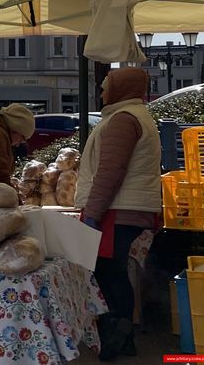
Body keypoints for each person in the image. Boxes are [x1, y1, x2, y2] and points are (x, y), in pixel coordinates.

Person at [75, 67, 160, 360]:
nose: (101, 92)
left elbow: (110, 172)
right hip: (124, 208)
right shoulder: (132, 115)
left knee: (109, 274)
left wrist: (92, 214)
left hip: (116, 210)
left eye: (106, 86)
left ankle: (115, 336)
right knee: (113, 273)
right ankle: (124, 339)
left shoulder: (124, 119)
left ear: (119, 88)